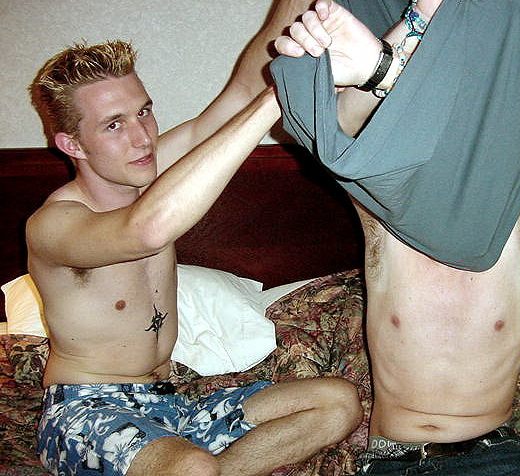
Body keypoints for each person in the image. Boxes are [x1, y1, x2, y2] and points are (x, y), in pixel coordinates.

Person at [26, 3, 363, 475]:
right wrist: (283, 95)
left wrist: (295, 18)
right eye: (114, 124)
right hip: (85, 409)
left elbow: (236, 96)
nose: (142, 138)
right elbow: (146, 229)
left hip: (170, 400)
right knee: (192, 468)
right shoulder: (54, 225)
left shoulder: (146, 171)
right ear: (72, 145)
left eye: (144, 112)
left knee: (338, 402)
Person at [273, 0, 520, 474]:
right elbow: (341, 133)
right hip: (387, 462)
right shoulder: (385, 205)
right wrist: (389, 53)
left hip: (493, 458)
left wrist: (391, 61)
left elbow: (508, 124)